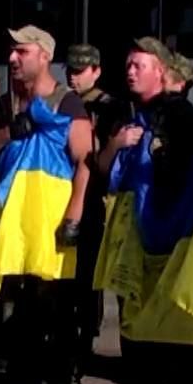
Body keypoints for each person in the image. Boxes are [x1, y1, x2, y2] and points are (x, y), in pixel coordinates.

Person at [0, 26, 94, 384]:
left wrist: (75, 213)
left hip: (51, 221)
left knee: (56, 304)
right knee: (17, 301)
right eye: (11, 51)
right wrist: (11, 132)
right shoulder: (7, 105)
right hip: (14, 221)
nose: (12, 59)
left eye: (20, 51)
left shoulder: (67, 103)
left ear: (43, 55)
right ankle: (22, 377)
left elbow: (84, 162)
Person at [95, 37, 193, 384]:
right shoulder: (124, 114)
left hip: (171, 230)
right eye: (127, 65)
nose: (130, 71)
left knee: (176, 321)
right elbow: (102, 168)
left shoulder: (181, 116)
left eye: (139, 65)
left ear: (161, 73)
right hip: (135, 231)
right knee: (133, 313)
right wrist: (116, 143)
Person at [64, 43, 115, 360]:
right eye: (70, 70)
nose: (74, 77)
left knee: (87, 275)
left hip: (94, 196)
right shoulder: (62, 102)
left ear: (96, 71)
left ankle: (86, 336)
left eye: (81, 71)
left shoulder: (109, 107)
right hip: (62, 191)